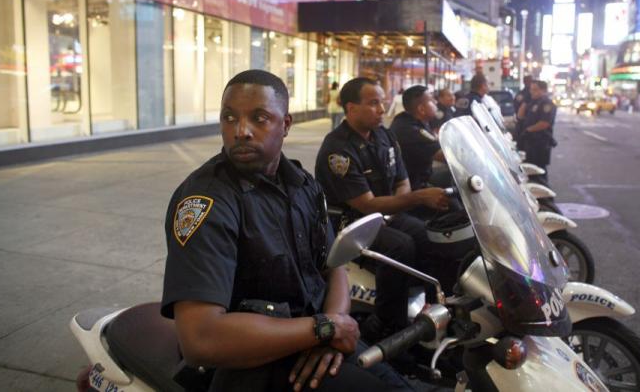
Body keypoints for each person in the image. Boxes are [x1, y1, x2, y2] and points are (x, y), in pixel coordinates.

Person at [161, 70, 409, 391]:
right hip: (252, 365)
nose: (241, 131)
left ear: (286, 125)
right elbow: (200, 339)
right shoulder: (208, 202)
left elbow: (334, 268)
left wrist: (333, 329)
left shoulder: (303, 185)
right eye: (229, 117)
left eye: (259, 118)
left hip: (314, 343)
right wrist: (324, 328)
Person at [315, 77, 450, 341]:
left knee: (428, 234)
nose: (381, 108)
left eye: (382, 101)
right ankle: (389, 326)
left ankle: (434, 311)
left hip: (384, 215)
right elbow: (365, 204)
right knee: (400, 246)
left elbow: (402, 181)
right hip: (349, 224)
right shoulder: (337, 150)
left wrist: (395, 210)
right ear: (351, 108)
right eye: (373, 103)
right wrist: (418, 198)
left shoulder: (384, 135)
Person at [389, 86, 446, 191]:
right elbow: (444, 155)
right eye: (431, 100)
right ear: (421, 109)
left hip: (422, 176)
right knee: (453, 201)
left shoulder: (413, 120)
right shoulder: (409, 129)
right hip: (413, 187)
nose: (436, 102)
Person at [517, 79, 557, 178]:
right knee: (530, 171)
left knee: (539, 172)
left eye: (535, 90)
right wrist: (525, 102)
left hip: (541, 143)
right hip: (530, 142)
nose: (531, 92)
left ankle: (543, 191)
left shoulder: (547, 104)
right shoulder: (532, 102)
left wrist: (528, 130)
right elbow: (520, 116)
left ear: (543, 90)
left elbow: (544, 123)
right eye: (531, 89)